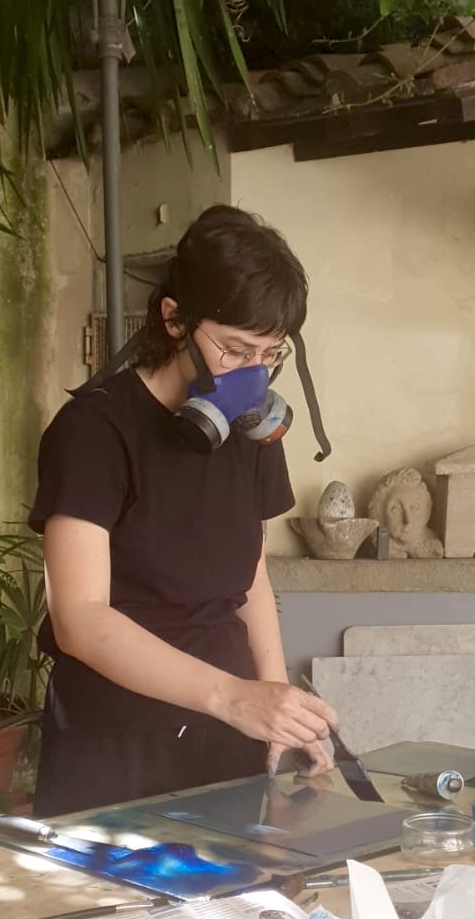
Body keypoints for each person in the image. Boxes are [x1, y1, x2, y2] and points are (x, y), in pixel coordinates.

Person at [29, 204, 338, 818]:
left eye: (269, 354)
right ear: (174, 319)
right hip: (115, 737)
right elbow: (81, 619)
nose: (253, 374)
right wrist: (232, 697)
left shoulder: (252, 434)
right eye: (235, 349)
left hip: (227, 731)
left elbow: (250, 578)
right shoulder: (94, 431)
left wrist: (275, 703)